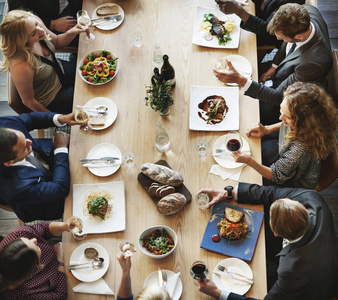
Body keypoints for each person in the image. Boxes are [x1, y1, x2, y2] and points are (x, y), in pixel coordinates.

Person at [196, 183, 338, 300]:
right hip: (323, 250)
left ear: (276, 233)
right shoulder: (313, 199)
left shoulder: (291, 270)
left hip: (317, 289)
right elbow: (273, 192)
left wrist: (218, 293)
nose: (282, 197)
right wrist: (229, 192)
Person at [213, 3, 333, 125]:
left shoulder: (313, 64)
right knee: (248, 69)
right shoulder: (307, 11)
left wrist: (241, 80)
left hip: (294, 101)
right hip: (288, 68)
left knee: (247, 109)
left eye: (282, 38)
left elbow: (277, 97)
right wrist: (274, 66)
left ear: (299, 36)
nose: (279, 40)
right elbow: (288, 44)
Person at [232, 82, 337, 189]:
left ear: (303, 122)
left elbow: (276, 175)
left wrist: (249, 161)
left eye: (287, 117)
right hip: (288, 155)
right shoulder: (310, 124)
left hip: (290, 181)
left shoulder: (300, 149)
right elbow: (286, 123)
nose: (280, 118)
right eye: (281, 111)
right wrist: (267, 129)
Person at [0, 112, 79, 223]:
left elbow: (30, 118)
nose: (30, 143)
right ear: (9, 162)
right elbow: (60, 188)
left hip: (48, 160)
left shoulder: (5, 124)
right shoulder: (15, 188)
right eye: (24, 148)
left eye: (24, 138)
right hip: (49, 203)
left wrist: (62, 118)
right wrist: (61, 148)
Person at [0, 10, 85, 114]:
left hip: (59, 70)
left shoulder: (33, 23)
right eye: (33, 33)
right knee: (90, 95)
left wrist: (73, 31)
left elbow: (57, 41)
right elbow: (29, 102)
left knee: (96, 75)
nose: (41, 31)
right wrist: (56, 119)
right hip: (53, 96)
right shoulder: (20, 65)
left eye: (36, 24)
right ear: (21, 41)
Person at [0, 221, 69, 299]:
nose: (35, 239)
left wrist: (62, 226)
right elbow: (60, 295)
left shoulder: (18, 234)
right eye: (36, 247)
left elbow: (42, 229)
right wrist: (60, 260)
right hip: (62, 273)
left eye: (27, 240)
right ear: (34, 267)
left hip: (55, 248)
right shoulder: (25, 295)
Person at [215, 0, 305, 48]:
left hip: (267, 33)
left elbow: (268, 30)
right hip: (255, 11)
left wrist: (238, 10)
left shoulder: (292, 3)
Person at [7, 0, 82, 34]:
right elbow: (20, 18)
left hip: (68, 4)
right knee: (83, 35)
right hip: (48, 22)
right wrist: (53, 24)